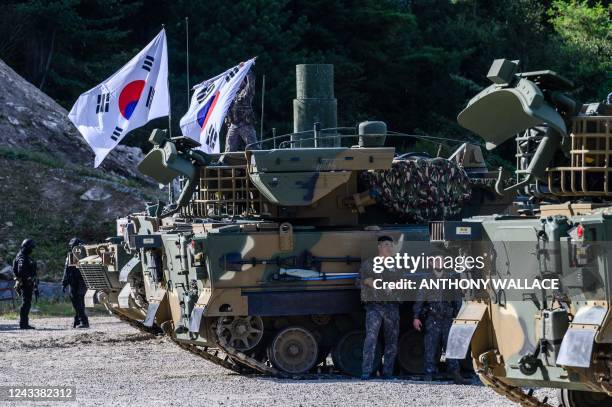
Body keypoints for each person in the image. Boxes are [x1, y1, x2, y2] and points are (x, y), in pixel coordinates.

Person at [412, 256, 467, 384]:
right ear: (431, 263)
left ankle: (455, 373)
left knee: (451, 346)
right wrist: (416, 317)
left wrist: (459, 316)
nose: (439, 262)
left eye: (441, 260)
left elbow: (457, 298)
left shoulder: (450, 278)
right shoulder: (426, 279)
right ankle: (429, 373)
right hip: (433, 318)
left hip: (448, 318)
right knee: (430, 346)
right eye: (436, 260)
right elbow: (420, 298)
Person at [359, 235, 400, 379]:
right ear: (379, 247)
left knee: (392, 342)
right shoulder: (369, 264)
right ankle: (366, 372)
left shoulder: (397, 265)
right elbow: (358, 281)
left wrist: (395, 286)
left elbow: (404, 282)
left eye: (391, 245)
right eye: (386, 245)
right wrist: (367, 282)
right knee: (371, 339)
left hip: (392, 307)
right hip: (374, 307)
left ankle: (388, 372)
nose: (389, 248)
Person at [224, 68, 260, 152]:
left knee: (253, 146)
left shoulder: (246, 92)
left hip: (245, 124)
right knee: (229, 148)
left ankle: (260, 161)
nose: (238, 82)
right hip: (233, 124)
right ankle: (225, 162)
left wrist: (248, 71)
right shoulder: (231, 94)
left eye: (240, 80)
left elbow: (251, 83)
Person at [62, 237, 89, 328]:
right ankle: (78, 320)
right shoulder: (77, 255)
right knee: (78, 303)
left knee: (78, 303)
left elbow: (67, 270)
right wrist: (64, 282)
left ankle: (83, 322)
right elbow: (67, 270)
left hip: (78, 283)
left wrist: (64, 282)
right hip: (76, 282)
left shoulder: (79, 256)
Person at [13, 239, 38, 329]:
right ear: (26, 247)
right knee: (25, 303)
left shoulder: (25, 256)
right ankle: (23, 323)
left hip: (27, 283)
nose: (32, 249)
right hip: (24, 283)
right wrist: (28, 278)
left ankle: (24, 323)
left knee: (27, 303)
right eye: (31, 247)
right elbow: (21, 270)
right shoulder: (22, 257)